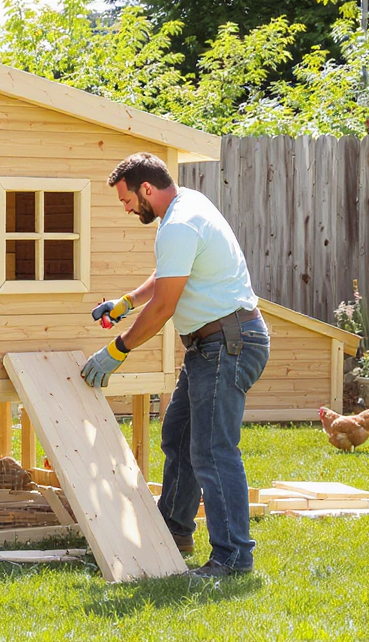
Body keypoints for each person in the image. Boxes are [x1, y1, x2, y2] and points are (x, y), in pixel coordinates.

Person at [80, 152, 270, 579]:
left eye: (127, 200)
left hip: (227, 342)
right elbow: (168, 276)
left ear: (146, 189)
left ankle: (234, 558)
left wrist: (116, 351)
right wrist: (126, 302)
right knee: (180, 435)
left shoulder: (180, 223)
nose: (127, 209)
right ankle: (175, 532)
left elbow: (166, 305)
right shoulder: (184, 208)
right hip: (215, 343)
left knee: (213, 450)